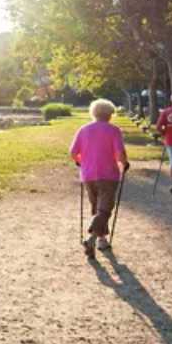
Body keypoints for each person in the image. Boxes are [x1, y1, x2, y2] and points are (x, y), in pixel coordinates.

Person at [69, 99, 130, 257]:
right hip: (108, 174)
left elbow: (73, 153)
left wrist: (81, 162)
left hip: (88, 174)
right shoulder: (113, 130)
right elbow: (120, 153)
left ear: (93, 113)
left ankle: (101, 240)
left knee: (97, 206)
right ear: (110, 114)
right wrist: (125, 163)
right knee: (105, 209)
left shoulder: (83, 129)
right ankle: (91, 238)